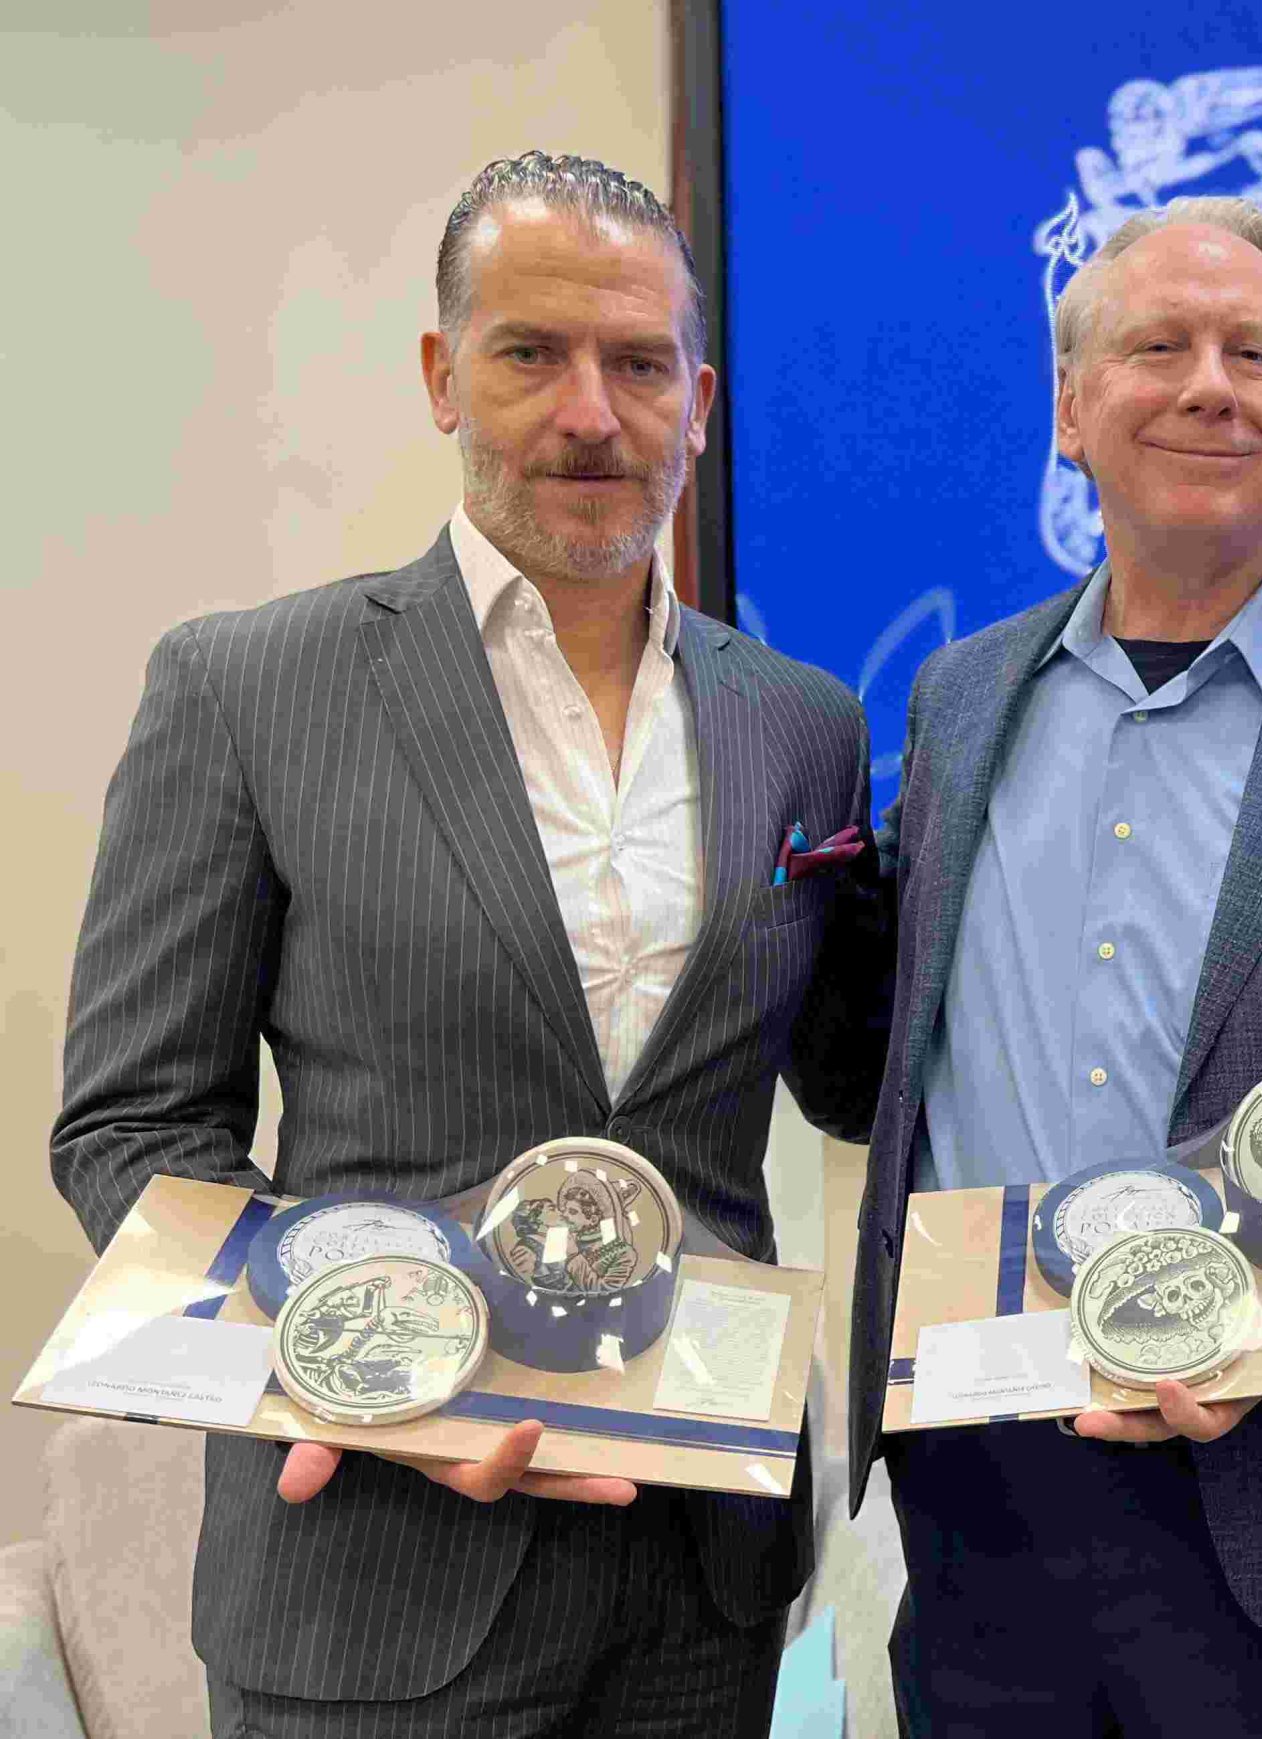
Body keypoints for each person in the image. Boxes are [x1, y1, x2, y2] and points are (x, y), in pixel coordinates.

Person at [50, 151, 875, 1736]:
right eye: (531, 354)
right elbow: (132, 1131)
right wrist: (364, 1376)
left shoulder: (802, 726)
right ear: (443, 375)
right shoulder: (247, 689)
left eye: (640, 366)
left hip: (701, 1582)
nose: (591, 414)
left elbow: (852, 1073)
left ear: (701, 403)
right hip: (376, 1568)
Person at [826, 194, 1262, 1736]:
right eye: (1159, 347)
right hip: (978, 1474)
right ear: (1072, 409)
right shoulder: (959, 699)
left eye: (1256, 356)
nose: (1211, 386)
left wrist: (1248, 1276)